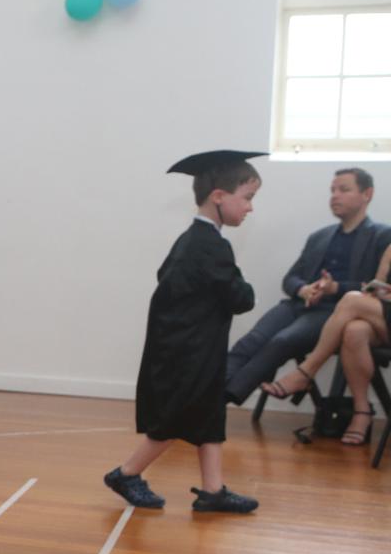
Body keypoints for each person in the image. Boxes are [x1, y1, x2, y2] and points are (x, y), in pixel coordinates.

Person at [103, 150, 261, 515]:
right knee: (175, 418)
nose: (250, 208)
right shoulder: (210, 246)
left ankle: (213, 490)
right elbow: (241, 298)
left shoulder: (191, 240)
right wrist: (243, 288)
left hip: (192, 346)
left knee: (208, 415)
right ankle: (126, 473)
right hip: (188, 350)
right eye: (247, 198)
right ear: (219, 197)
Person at [225, 168, 386, 406]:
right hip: (298, 304)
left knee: (283, 341)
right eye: (332, 190)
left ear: (367, 194)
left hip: (334, 313)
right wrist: (304, 289)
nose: (335, 195)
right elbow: (290, 279)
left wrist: (335, 288)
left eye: (344, 189)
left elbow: (377, 288)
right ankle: (210, 391)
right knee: (252, 340)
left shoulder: (382, 236)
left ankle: (222, 398)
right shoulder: (319, 236)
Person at [261, 243, 391, 445]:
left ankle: (305, 372)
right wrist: (375, 291)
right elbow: (379, 285)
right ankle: (362, 410)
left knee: (351, 300)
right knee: (354, 331)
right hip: (385, 319)